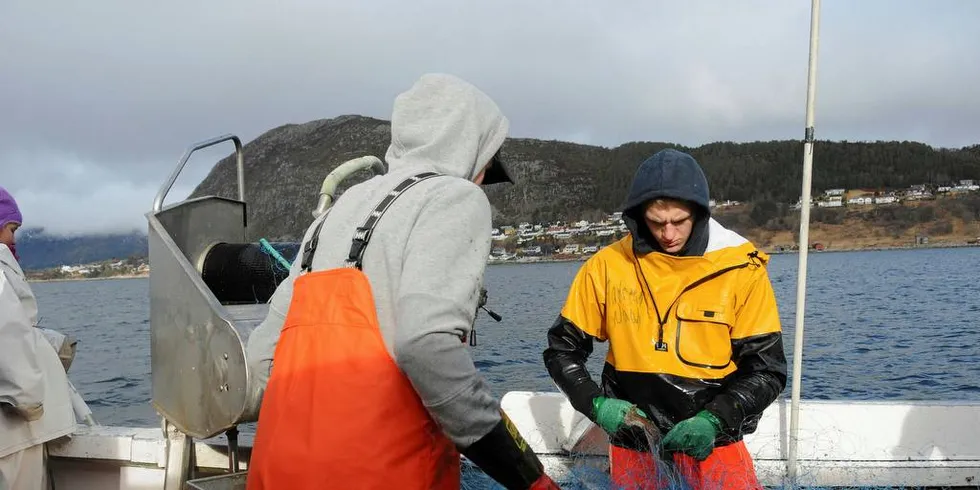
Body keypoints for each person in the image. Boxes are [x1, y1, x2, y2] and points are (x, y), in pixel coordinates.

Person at [244, 74, 560, 490]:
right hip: (380, 473)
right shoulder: (453, 197)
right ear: (470, 146)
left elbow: (263, 358)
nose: (481, 177)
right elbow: (425, 344)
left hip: (278, 470)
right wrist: (526, 477)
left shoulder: (332, 214)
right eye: (485, 163)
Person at [542, 149, 787, 490]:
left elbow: (767, 371)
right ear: (639, 216)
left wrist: (715, 420)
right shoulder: (606, 266)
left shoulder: (741, 269)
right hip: (634, 438)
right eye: (656, 223)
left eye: (679, 221)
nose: (668, 234)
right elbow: (561, 351)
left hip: (713, 443)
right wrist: (597, 405)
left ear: (698, 214)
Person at [0, 186, 77, 490]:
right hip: (12, 432)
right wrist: (29, 401)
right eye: (11, 228)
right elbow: (9, 336)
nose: (13, 239)